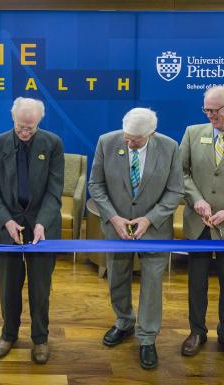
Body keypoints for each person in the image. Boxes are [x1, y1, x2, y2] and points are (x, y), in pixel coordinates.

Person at [88, 107, 184, 369]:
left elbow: (175, 190)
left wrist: (149, 219)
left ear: (151, 134)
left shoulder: (170, 147)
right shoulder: (107, 141)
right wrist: (114, 218)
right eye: (127, 136)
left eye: (135, 140)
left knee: (152, 283)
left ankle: (147, 338)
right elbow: (95, 184)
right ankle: (123, 322)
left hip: (154, 230)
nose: (128, 142)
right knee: (117, 276)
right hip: (116, 228)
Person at [0, 96, 64, 364]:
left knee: (40, 288)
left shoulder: (52, 144)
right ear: (12, 118)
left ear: (39, 122)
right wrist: (6, 220)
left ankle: (40, 339)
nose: (25, 132)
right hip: (6, 226)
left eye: (31, 127)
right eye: (21, 126)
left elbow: (55, 192)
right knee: (8, 286)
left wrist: (42, 222)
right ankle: (8, 334)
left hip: (42, 227)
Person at [180, 86, 224, 356]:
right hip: (199, 224)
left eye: (215, 110)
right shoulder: (192, 133)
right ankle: (197, 332)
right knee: (197, 281)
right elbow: (181, 172)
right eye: (206, 110)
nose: (210, 115)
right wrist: (196, 198)